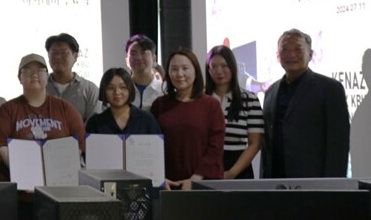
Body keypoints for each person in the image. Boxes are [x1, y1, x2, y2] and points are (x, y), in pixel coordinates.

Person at [0, 53, 85, 220]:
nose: (34, 75)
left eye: (40, 70)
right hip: (21, 199)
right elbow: (0, 145)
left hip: (57, 198)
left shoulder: (64, 109)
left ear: (47, 76)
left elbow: (77, 145)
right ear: (19, 77)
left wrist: (54, 175)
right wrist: (27, 175)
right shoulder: (8, 110)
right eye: (28, 71)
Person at [261, 29, 350, 178]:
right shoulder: (271, 91)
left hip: (313, 180)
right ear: (277, 56)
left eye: (298, 49)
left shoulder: (330, 89)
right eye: (285, 49)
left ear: (310, 54)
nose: (291, 54)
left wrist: (334, 185)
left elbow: (338, 144)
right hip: (275, 180)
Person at [150, 48, 224, 190]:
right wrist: (159, 177)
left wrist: (195, 179)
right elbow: (152, 146)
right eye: (174, 69)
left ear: (195, 71)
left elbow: (215, 147)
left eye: (185, 68)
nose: (179, 74)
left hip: (202, 184)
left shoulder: (211, 105)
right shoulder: (159, 105)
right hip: (167, 184)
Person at [205, 45, 264, 179]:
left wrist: (232, 173)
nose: (219, 71)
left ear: (233, 67)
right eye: (214, 66)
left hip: (238, 169)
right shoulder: (200, 99)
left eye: (224, 65)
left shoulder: (250, 99)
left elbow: (255, 143)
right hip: (205, 168)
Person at [85, 68, 162, 135]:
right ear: (103, 91)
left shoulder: (147, 120)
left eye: (123, 87)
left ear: (130, 89)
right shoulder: (95, 123)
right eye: (111, 88)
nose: (117, 92)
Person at [45, 32, 100, 121]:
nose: (58, 57)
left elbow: (94, 124)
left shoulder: (89, 89)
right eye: (54, 52)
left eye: (63, 53)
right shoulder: (39, 87)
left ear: (75, 56)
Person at [125, 34, 164, 109]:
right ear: (126, 60)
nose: (138, 57)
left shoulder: (163, 90)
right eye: (133, 54)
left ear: (154, 58)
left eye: (143, 53)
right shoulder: (121, 90)